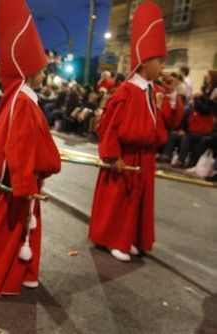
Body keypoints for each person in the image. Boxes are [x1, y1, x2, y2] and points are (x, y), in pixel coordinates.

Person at [0, 0, 61, 298]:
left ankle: (23, 273)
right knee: (9, 231)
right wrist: (23, 182)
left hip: (26, 180)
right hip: (20, 182)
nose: (44, 71)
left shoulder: (23, 97)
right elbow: (19, 145)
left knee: (24, 230)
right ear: (27, 69)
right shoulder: (22, 101)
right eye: (39, 66)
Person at [88, 1, 183, 262]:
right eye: (160, 61)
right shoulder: (126, 92)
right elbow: (108, 126)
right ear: (144, 63)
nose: (163, 67)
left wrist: (173, 94)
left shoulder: (153, 91)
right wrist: (112, 155)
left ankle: (129, 238)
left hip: (145, 156)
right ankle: (112, 239)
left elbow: (168, 122)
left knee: (136, 200)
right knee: (119, 200)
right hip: (125, 156)